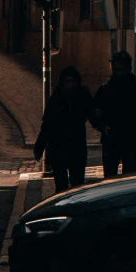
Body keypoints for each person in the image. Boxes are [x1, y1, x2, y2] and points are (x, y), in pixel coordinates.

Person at [32, 65, 94, 193]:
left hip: (77, 146)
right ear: (63, 83)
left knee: (77, 185)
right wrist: (39, 147)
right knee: (61, 186)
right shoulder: (57, 97)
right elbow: (47, 125)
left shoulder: (82, 95)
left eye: (73, 81)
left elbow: (93, 115)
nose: (70, 85)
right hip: (58, 148)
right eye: (67, 81)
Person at [90, 48, 136, 179]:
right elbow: (94, 114)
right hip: (112, 140)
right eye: (117, 70)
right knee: (111, 179)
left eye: (122, 70)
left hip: (130, 140)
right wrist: (103, 127)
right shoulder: (105, 90)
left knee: (129, 179)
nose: (119, 74)